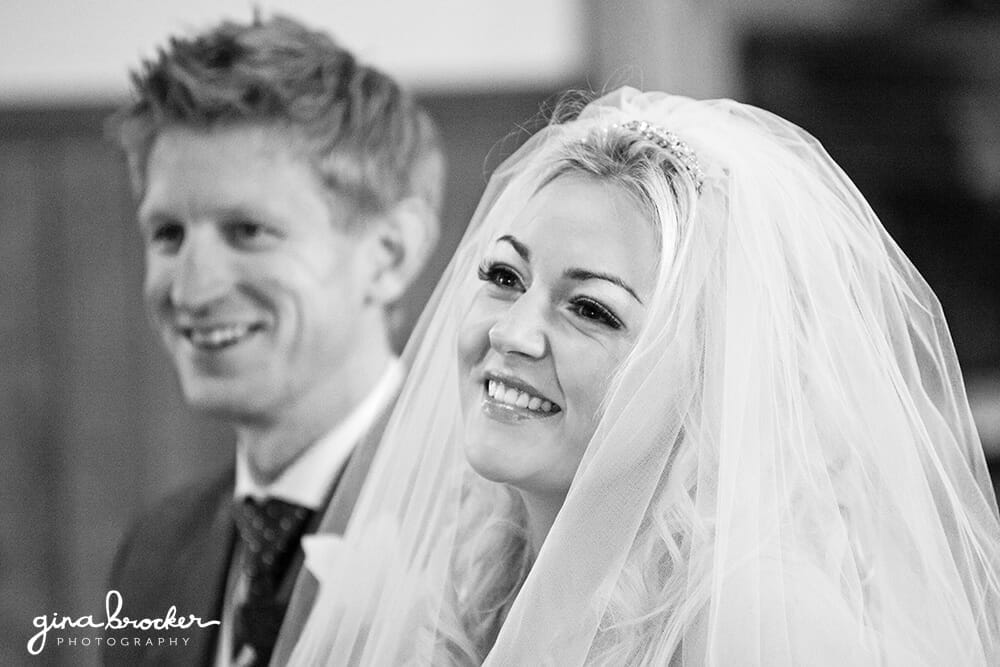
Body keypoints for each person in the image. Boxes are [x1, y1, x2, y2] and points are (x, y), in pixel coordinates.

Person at [287, 87, 1000, 666]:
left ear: (703, 369)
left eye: (591, 309)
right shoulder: (474, 577)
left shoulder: (753, 618)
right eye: (504, 276)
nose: (511, 331)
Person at [103, 14, 444, 667]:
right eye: (168, 235)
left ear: (390, 253)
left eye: (248, 230)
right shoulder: (155, 550)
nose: (190, 290)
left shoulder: (486, 533)